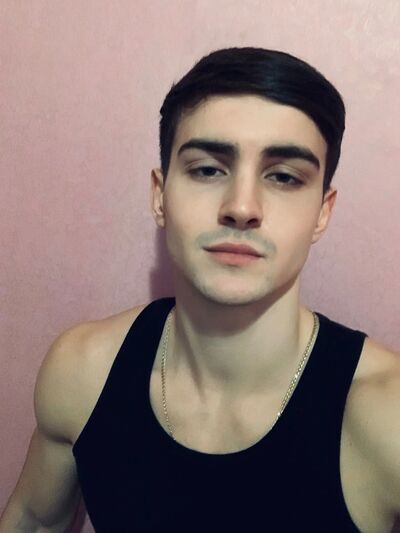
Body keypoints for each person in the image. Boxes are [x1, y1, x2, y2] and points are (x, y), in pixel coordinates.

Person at [1, 47, 399, 533]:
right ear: (160, 195)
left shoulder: (387, 415)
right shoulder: (83, 370)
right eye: (208, 169)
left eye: (284, 177)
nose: (242, 207)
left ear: (322, 212)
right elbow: (34, 520)